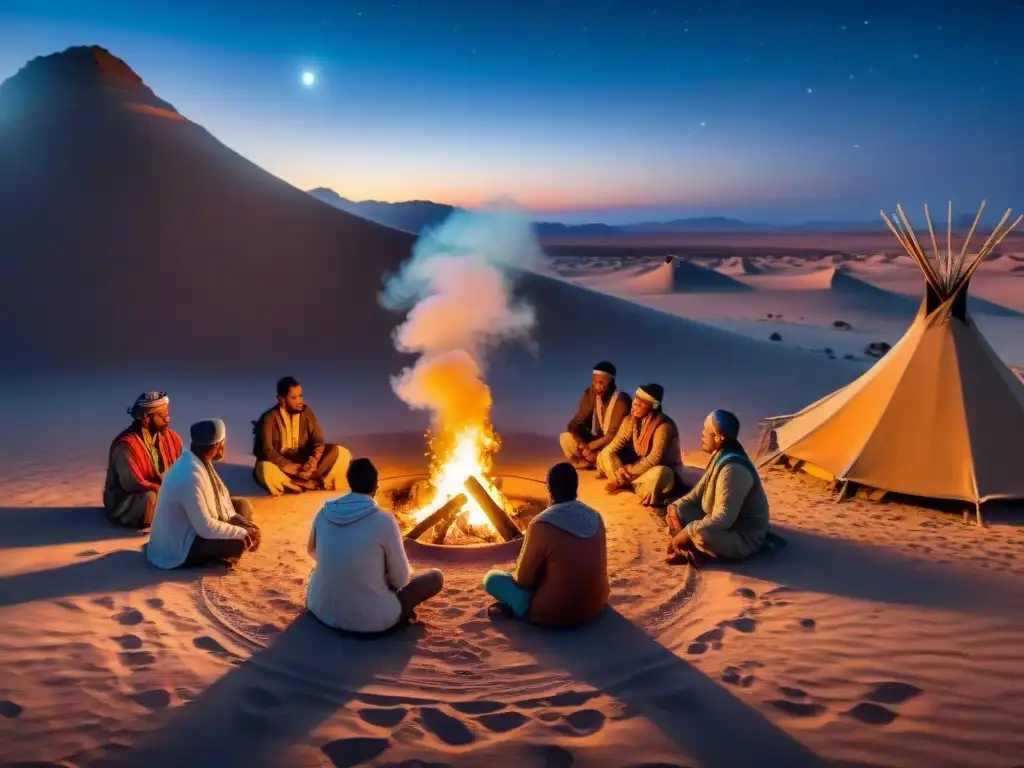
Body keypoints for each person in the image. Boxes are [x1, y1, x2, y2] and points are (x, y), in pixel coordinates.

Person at [306, 458, 444, 635]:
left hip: (321, 612)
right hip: (371, 624)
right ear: (375, 487)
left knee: (319, 571)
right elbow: (401, 579)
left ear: (350, 483)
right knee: (435, 578)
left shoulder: (324, 512)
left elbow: (312, 551)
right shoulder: (384, 520)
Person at [483, 463, 609, 628]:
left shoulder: (541, 524)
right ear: (575, 486)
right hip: (596, 605)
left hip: (552, 614)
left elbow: (523, 581)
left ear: (549, 489)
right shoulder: (595, 516)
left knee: (492, 579)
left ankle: (522, 610)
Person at [147, 419, 261, 569]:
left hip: (193, 527)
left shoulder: (199, 460)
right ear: (217, 445)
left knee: (242, 506)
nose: (225, 446)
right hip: (180, 548)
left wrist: (246, 526)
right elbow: (205, 527)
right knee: (239, 543)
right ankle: (215, 558)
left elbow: (224, 502)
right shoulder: (190, 474)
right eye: (223, 442)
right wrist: (242, 532)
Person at [665, 410, 770, 564]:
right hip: (719, 522)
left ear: (717, 437)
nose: (701, 434)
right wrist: (675, 507)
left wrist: (688, 531)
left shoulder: (733, 469)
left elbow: (723, 518)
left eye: (705, 431)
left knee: (701, 534)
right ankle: (691, 546)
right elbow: (696, 495)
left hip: (742, 535)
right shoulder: (719, 457)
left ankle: (697, 548)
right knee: (681, 510)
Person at [253, 376, 351, 495]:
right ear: (281, 399)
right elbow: (267, 450)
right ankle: (301, 484)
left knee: (340, 452)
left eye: (301, 396)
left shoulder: (306, 412)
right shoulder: (268, 419)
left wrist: (311, 464)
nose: (300, 401)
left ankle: (306, 483)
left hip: (305, 467)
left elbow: (318, 442)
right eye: (294, 397)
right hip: (282, 469)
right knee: (264, 469)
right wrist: (289, 466)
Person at [103, 391, 184, 528]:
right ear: (146, 417)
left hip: (165, 492)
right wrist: (165, 491)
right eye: (162, 415)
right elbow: (132, 483)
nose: (167, 419)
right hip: (129, 500)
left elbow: (181, 469)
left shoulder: (173, 439)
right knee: (150, 498)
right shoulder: (126, 446)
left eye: (167, 414)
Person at [596, 382, 685, 506]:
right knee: (605, 454)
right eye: (636, 399)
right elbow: (613, 447)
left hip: (659, 470)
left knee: (660, 473)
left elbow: (654, 459)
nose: (635, 404)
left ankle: (624, 482)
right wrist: (622, 468)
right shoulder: (630, 420)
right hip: (637, 471)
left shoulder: (664, 426)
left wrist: (627, 469)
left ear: (653, 406)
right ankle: (626, 482)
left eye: (642, 402)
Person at [559, 361, 631, 470]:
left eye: (601, 383)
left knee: (609, 455)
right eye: (594, 381)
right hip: (597, 442)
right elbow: (576, 423)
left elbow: (614, 436)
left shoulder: (621, 400)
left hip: (616, 446)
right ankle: (592, 462)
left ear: (611, 383)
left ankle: (599, 462)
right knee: (565, 438)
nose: (597, 387)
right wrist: (582, 444)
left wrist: (590, 447)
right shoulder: (590, 393)